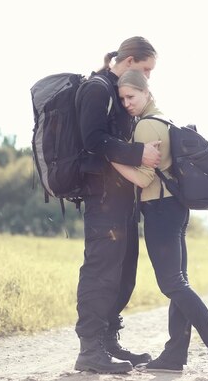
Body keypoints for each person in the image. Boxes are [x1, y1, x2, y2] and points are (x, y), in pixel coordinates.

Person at [111, 69, 208, 377]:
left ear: (146, 92)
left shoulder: (146, 127)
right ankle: (174, 354)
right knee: (179, 282)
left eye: (131, 96)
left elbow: (143, 177)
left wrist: (110, 156)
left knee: (172, 284)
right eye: (122, 98)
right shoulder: (163, 118)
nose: (127, 103)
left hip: (160, 210)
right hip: (175, 209)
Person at [74, 37, 162, 374]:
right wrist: (139, 154)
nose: (147, 78)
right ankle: (90, 350)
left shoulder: (119, 94)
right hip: (102, 200)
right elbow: (92, 140)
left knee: (124, 275)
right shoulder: (98, 89)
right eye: (145, 69)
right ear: (128, 61)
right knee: (101, 273)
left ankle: (108, 341)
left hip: (124, 200)